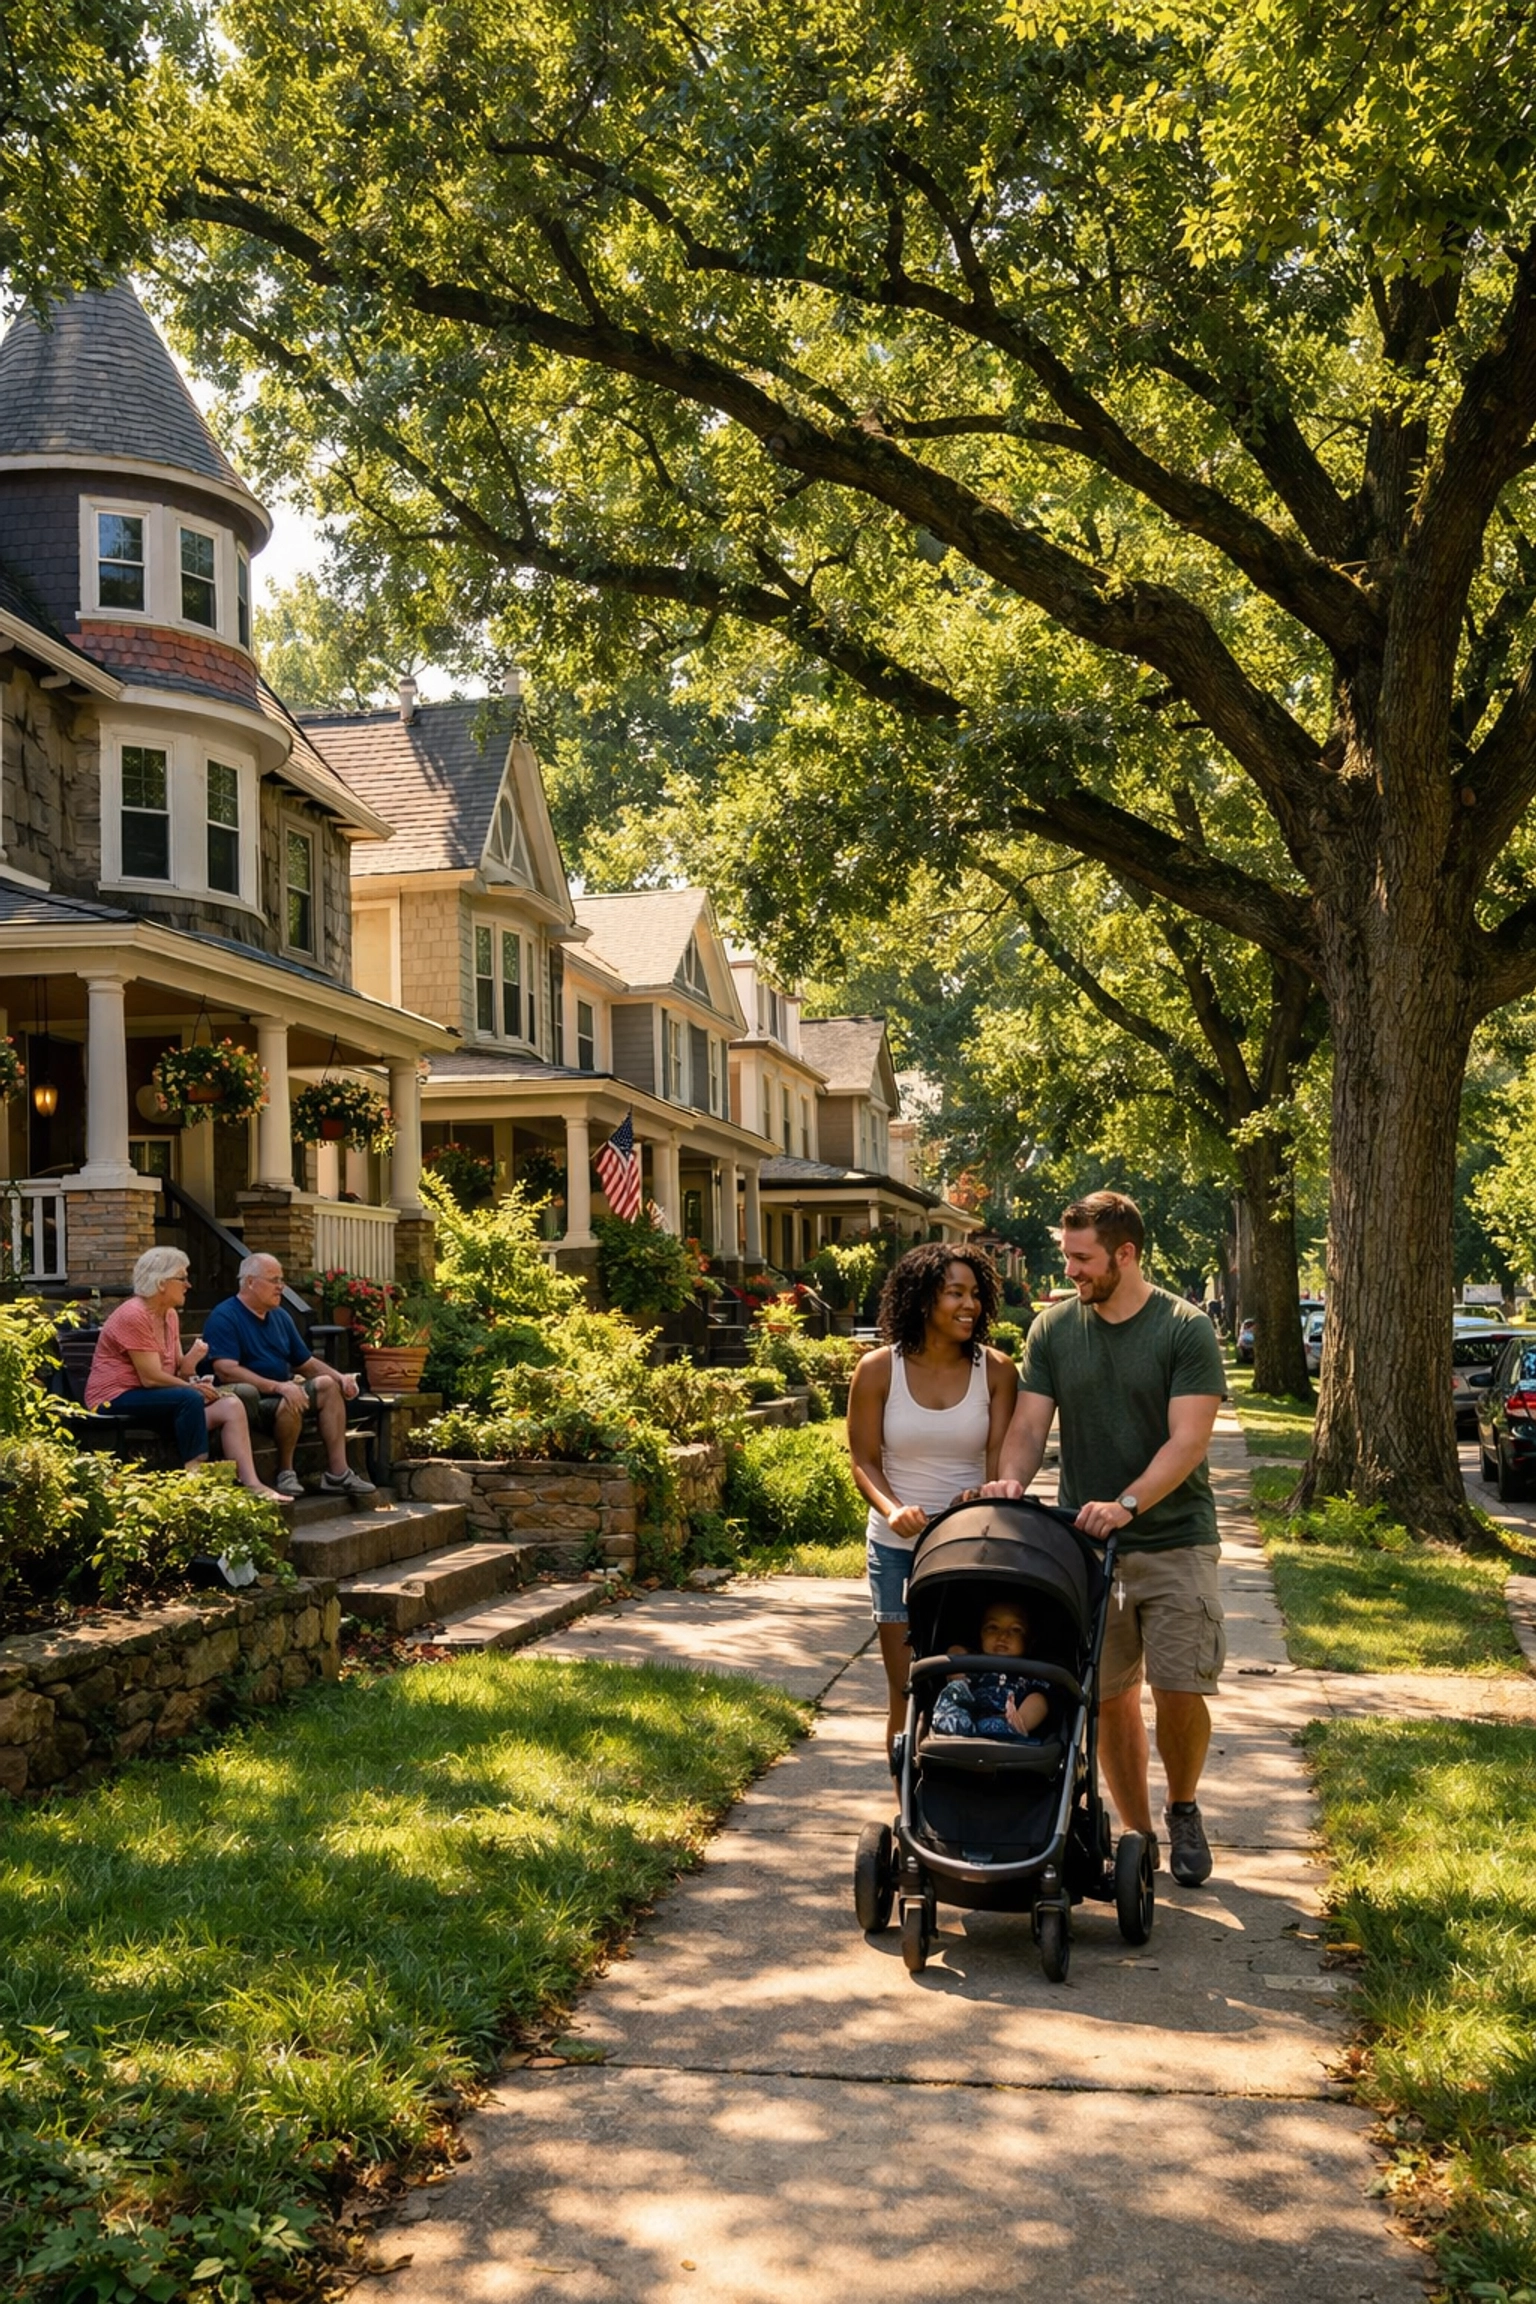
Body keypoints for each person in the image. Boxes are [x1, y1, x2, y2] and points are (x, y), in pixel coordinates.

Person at [983, 1190, 1226, 1886]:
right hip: (1087, 1549)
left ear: (1125, 1254)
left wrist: (1125, 1503)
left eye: (1083, 1259)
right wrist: (1011, 1482)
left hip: (1176, 1537)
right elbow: (1029, 1428)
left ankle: (1182, 1807)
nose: (1072, 1272)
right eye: (1068, 1257)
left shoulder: (1184, 1329)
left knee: (1180, 1686)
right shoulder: (1054, 1330)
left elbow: (1188, 1442)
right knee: (1111, 1694)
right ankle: (1138, 1839)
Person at [847, 1243, 1018, 1766]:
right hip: (897, 1549)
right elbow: (863, 1460)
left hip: (970, 1548)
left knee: (973, 1685)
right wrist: (894, 1508)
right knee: (908, 1693)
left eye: (975, 1294)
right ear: (923, 1299)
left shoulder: (997, 1371)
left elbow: (999, 1461)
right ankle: (908, 1816)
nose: (971, 1306)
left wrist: (984, 1498)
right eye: (955, 1294)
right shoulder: (878, 1370)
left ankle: (971, 1794)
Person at [84, 1246, 286, 1500]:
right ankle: (195, 1475)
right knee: (189, 1398)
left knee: (231, 1405)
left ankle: (252, 1483)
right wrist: (191, 1389)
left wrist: (193, 1367)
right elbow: (151, 1377)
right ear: (161, 1283)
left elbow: (178, 1371)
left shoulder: (169, 1315)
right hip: (114, 1397)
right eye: (182, 1278)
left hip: (156, 1397)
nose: (188, 1285)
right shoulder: (134, 1314)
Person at [202, 1253, 376, 1501]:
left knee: (326, 1385)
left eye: (281, 1280)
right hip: (247, 1400)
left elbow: (304, 1363)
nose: (281, 1286)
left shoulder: (280, 1316)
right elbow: (225, 1369)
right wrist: (278, 1387)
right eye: (274, 1280)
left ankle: (338, 1473)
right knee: (290, 1395)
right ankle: (285, 1472)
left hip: (280, 1393)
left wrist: (341, 1378)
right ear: (250, 1282)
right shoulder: (225, 1316)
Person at [931, 1598, 1051, 1740]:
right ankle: (954, 1716)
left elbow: (1039, 1701)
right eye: (993, 1627)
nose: (1003, 1636)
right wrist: (959, 1675)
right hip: (968, 1714)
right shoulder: (973, 1661)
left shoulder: (1030, 1671)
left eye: (1016, 1629)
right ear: (980, 1634)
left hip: (1007, 1716)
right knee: (955, 1678)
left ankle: (1017, 1725)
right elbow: (954, 1651)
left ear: (1029, 1640)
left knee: (1039, 1700)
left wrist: (1017, 1718)